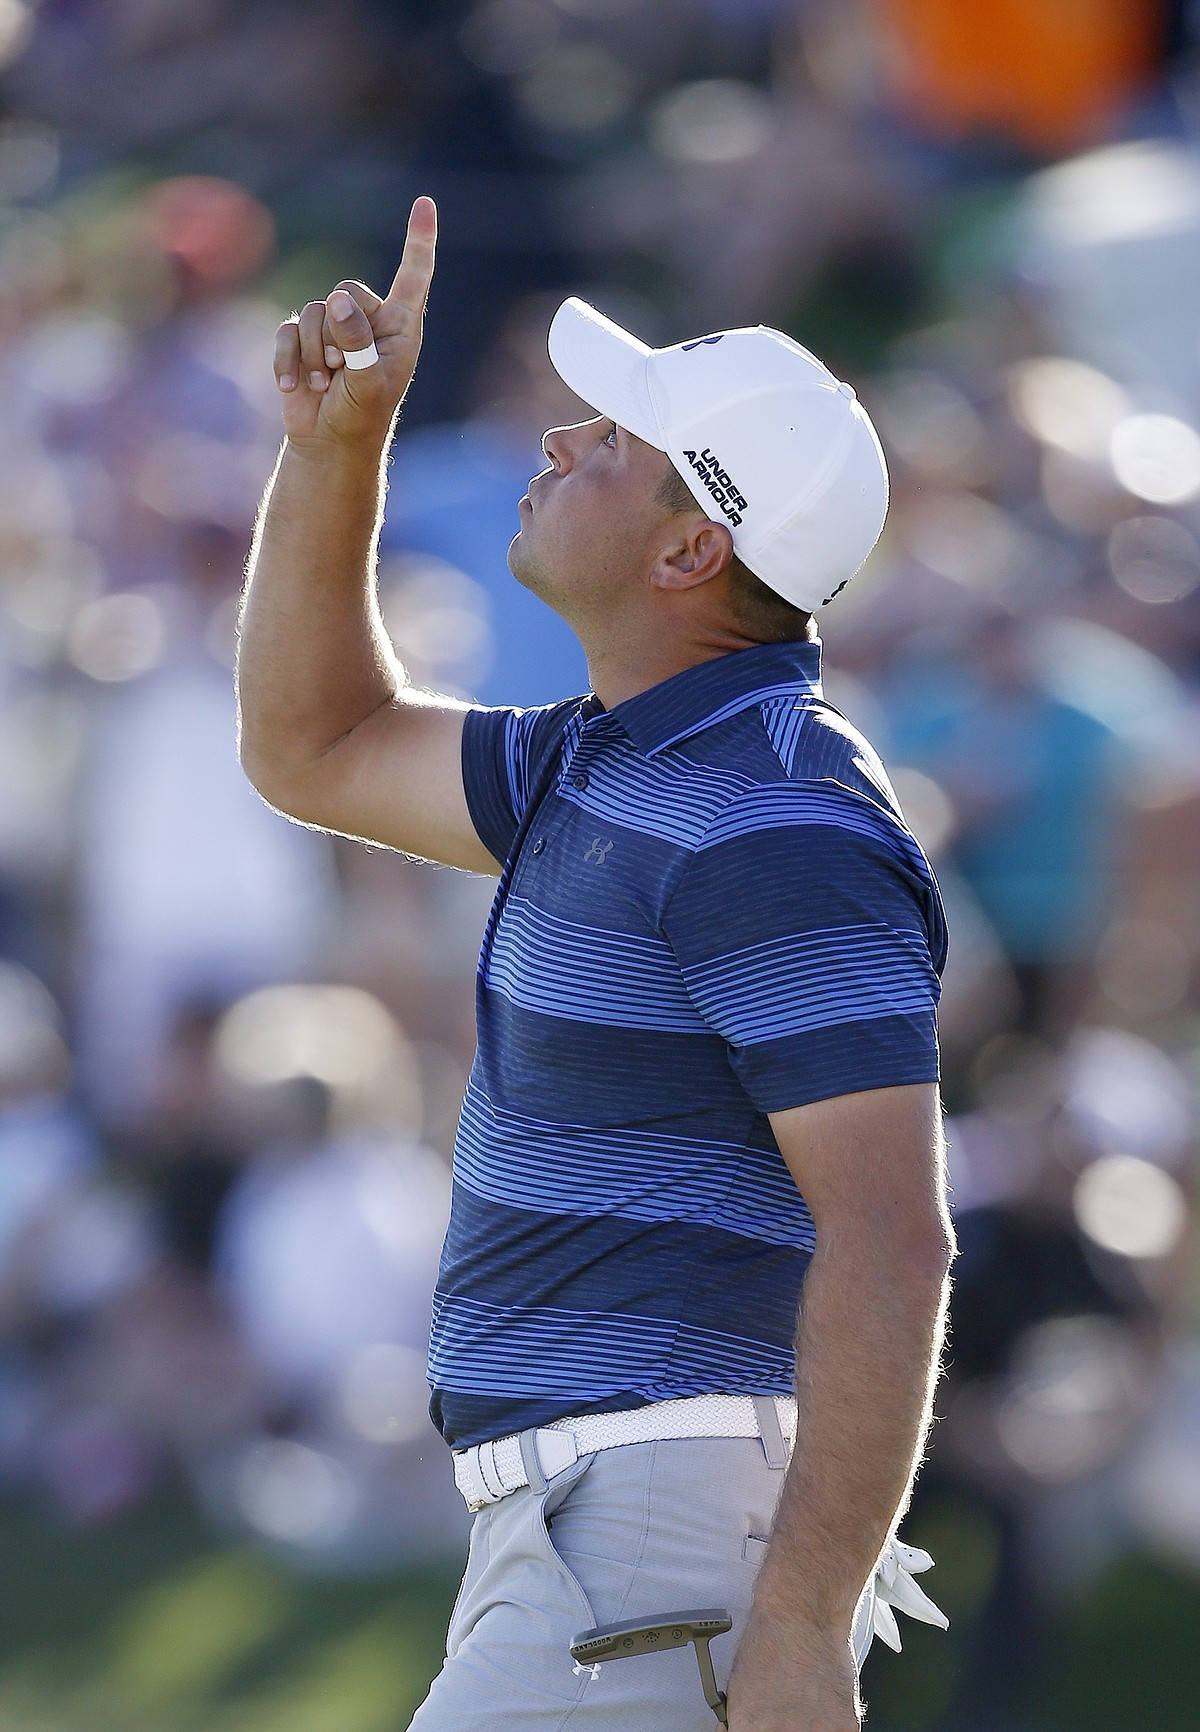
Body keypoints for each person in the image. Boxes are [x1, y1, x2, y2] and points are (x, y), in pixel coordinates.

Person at [237, 196, 956, 1732]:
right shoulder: (611, 762)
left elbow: (893, 1240)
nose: (560, 441)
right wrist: (335, 453)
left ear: (697, 544)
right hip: (600, 1537)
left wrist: (807, 1628)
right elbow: (316, 746)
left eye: (614, 441)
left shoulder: (776, 815)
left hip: (655, 1532)